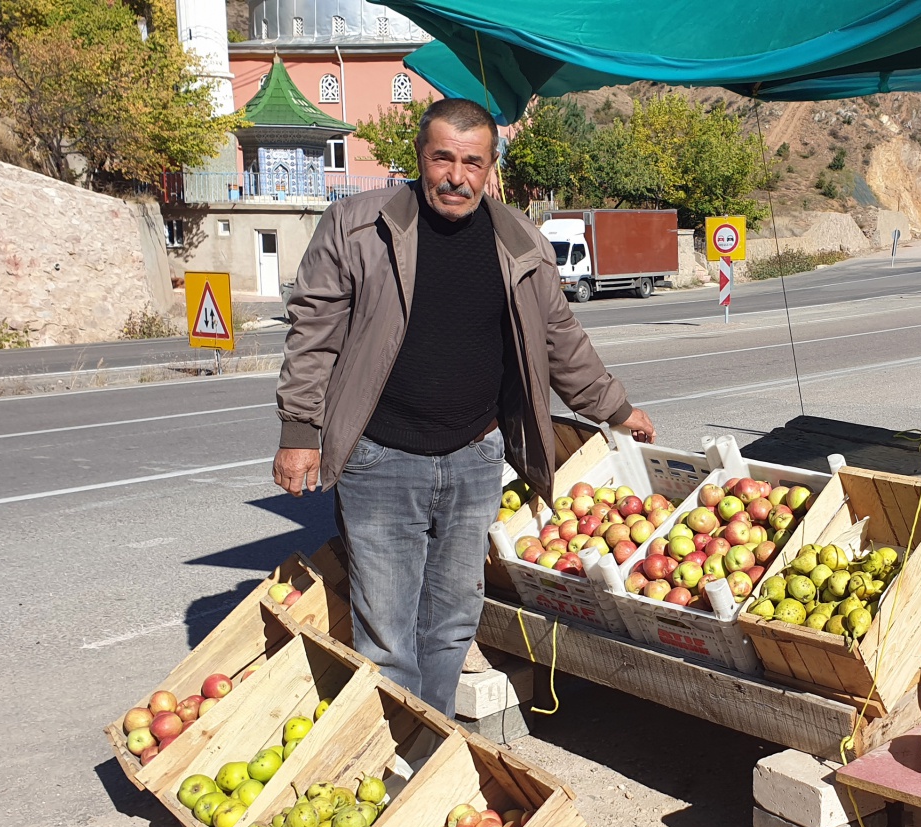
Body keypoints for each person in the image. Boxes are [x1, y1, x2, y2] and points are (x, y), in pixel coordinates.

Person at [271, 97, 654, 717]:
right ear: (419, 158)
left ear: (490, 167)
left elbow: (559, 337)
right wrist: (299, 431)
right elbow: (313, 333)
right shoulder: (357, 226)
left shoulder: (520, 241)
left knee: (451, 625)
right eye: (442, 158)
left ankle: (430, 747)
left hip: (476, 459)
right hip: (381, 458)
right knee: (387, 637)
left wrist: (613, 407)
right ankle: (394, 753)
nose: (456, 177)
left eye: (472, 163)